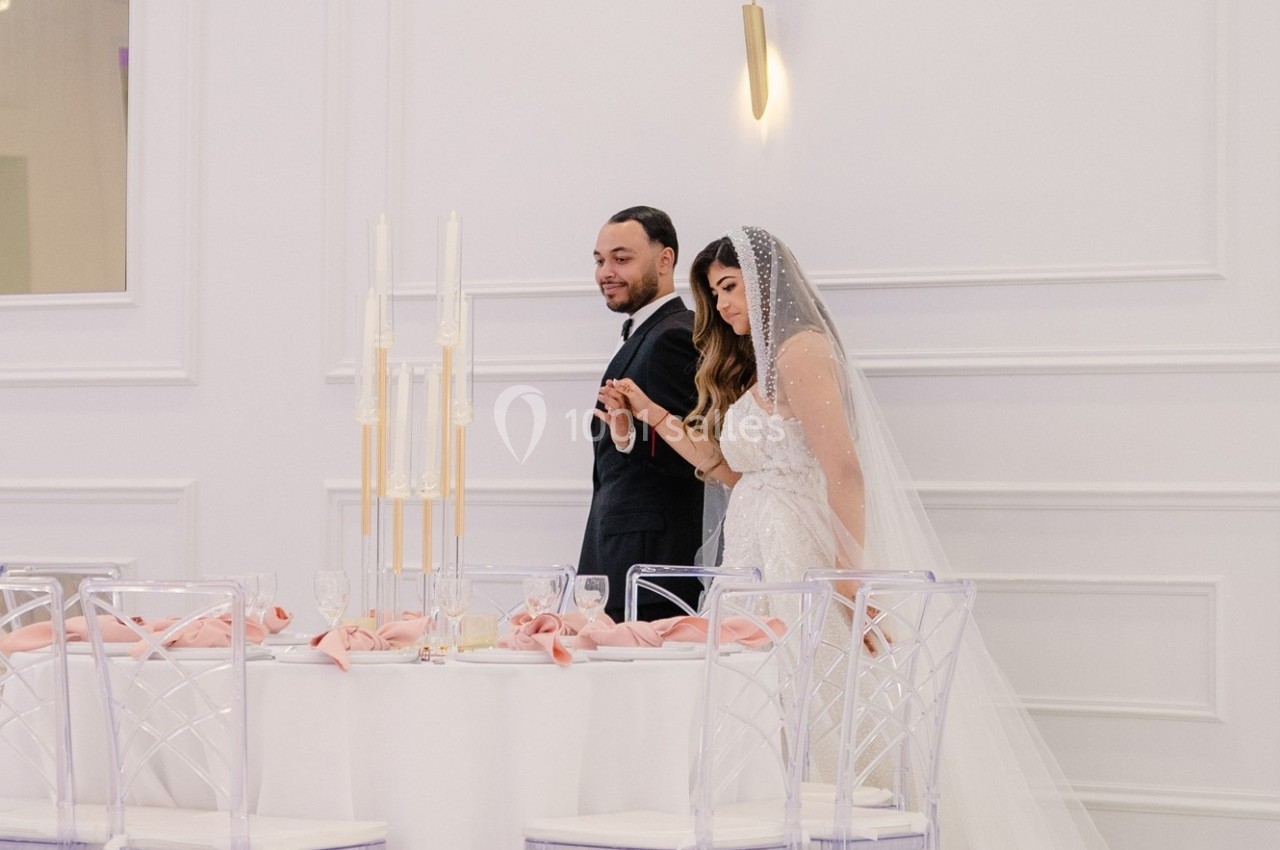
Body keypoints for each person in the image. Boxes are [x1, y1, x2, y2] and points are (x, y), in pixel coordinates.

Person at [600, 226, 1111, 850]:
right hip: (752, 550)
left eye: (731, 287)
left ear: (766, 284)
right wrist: (650, 416)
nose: (725, 305)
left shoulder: (803, 350)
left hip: (796, 551)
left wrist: (848, 571)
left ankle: (827, 831)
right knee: (752, 703)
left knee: (813, 700)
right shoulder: (760, 364)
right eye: (715, 293)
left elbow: (843, 468)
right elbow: (734, 472)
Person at [576, 206, 704, 622]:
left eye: (621, 258)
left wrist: (627, 435)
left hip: (647, 567)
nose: (605, 272)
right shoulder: (645, 332)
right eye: (599, 260)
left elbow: (696, 454)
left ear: (665, 260)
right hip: (621, 557)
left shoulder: (673, 336)